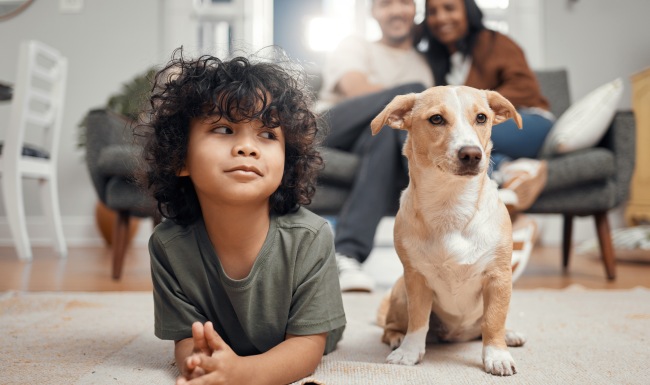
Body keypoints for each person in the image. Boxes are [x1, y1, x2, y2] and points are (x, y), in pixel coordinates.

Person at [139, 50, 346, 385]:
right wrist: (203, 367)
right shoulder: (168, 246)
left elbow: (307, 347)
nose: (248, 147)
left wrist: (242, 375)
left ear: (287, 161)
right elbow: (187, 340)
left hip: (306, 334)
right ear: (180, 158)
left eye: (267, 134)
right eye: (224, 129)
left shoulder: (310, 236)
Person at [318, 0, 434, 293]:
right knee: (411, 95)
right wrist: (409, 100)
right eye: (385, 4)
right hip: (328, 129)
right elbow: (354, 89)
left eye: (404, 2)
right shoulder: (356, 45)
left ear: (415, 9)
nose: (396, 10)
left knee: (386, 132)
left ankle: (347, 255)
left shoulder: (424, 62)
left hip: (376, 139)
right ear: (373, 12)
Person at [418, 0, 554, 213]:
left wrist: (475, 107)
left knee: (459, 136)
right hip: (480, 131)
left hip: (529, 120)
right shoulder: (436, 60)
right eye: (433, 12)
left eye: (449, 8)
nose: (441, 17)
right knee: (457, 146)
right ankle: (512, 172)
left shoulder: (495, 42)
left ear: (467, 12)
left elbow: (525, 87)